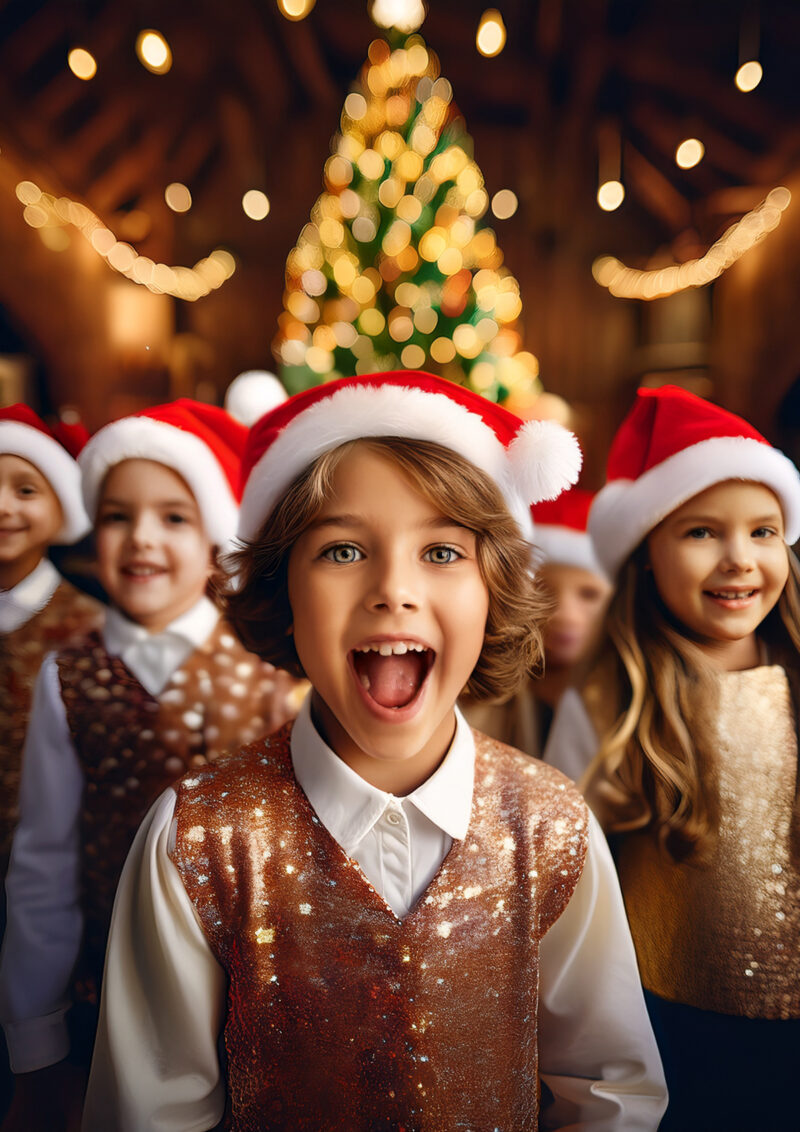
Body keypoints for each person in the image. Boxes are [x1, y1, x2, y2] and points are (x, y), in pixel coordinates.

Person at [83, 372, 667, 1131]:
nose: (394, 589)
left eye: (443, 552)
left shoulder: (553, 828)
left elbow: (612, 1093)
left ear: (495, 593)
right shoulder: (193, 839)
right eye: (345, 549)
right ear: (282, 592)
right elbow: (147, 1113)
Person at [0, 400, 304, 1130]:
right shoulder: (68, 675)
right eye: (117, 516)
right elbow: (44, 860)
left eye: (174, 517)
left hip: (256, 1002)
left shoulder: (273, 669)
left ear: (215, 540)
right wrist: (35, 1039)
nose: (142, 540)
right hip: (104, 999)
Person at [544, 384, 800, 1130]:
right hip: (672, 1025)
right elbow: (567, 874)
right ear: (646, 552)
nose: (739, 559)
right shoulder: (609, 701)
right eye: (701, 533)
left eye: (763, 531)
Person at [464, 487, 611, 756]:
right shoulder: (481, 704)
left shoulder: (620, 709)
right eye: (543, 589)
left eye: (589, 594)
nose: (565, 614)